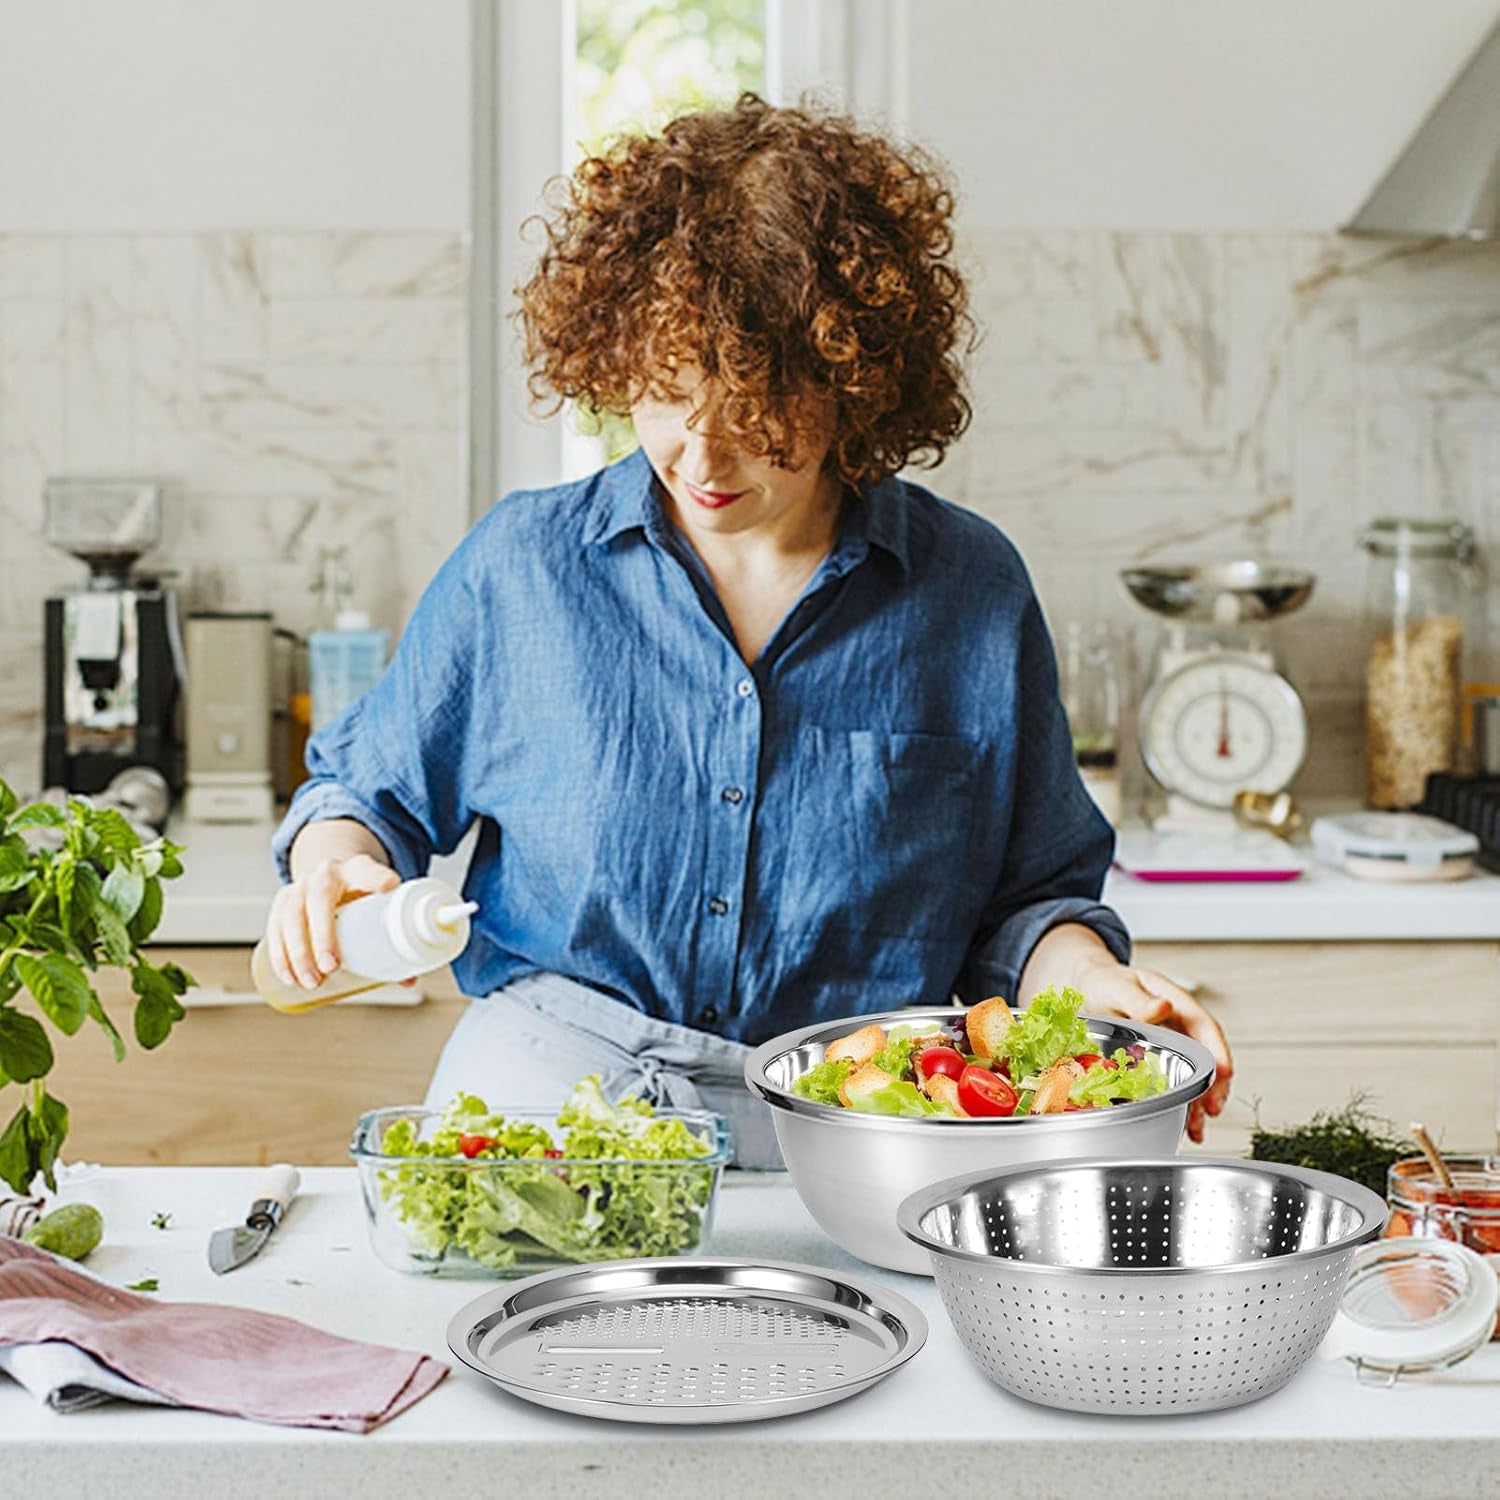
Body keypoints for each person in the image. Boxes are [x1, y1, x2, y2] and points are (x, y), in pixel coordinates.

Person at [264, 95, 1232, 1166]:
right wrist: (337, 865)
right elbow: (365, 796)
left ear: (854, 378)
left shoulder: (969, 590)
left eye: (761, 409)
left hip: (857, 1119)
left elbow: (1032, 900)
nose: (703, 459)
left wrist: (1093, 982)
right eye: (666, 395)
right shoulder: (522, 569)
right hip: (546, 1094)